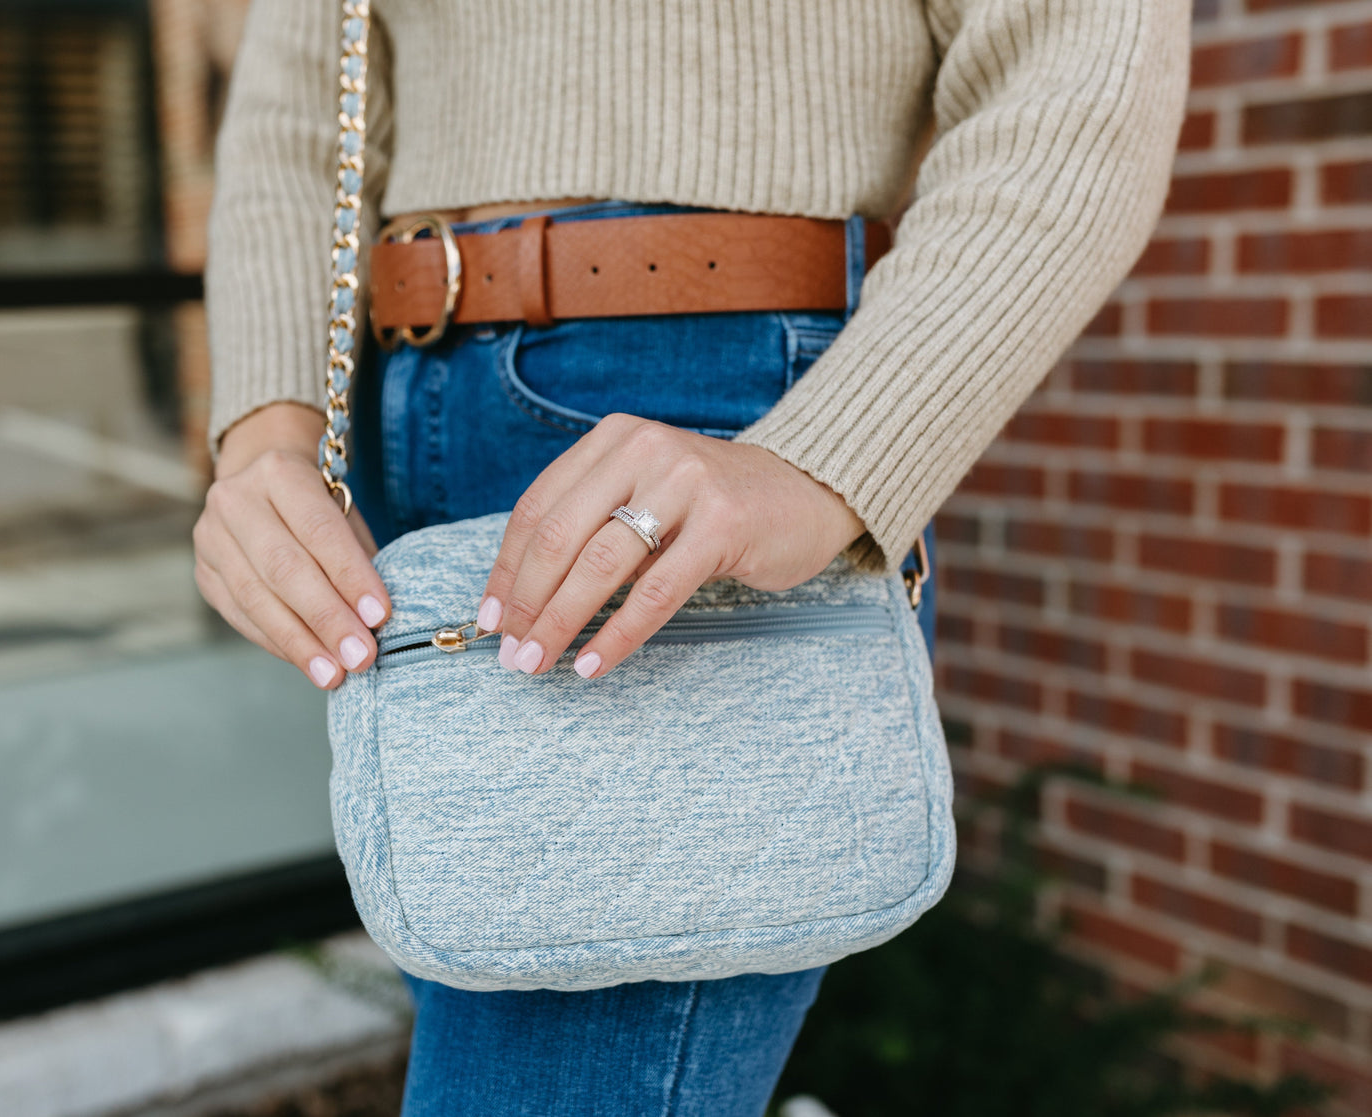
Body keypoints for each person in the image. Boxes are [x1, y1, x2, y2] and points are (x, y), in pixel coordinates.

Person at [191, 1, 1191, 1113]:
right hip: (400, 419)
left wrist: (823, 462)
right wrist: (265, 433)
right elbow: (296, 103)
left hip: (708, 414)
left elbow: (1079, 68)